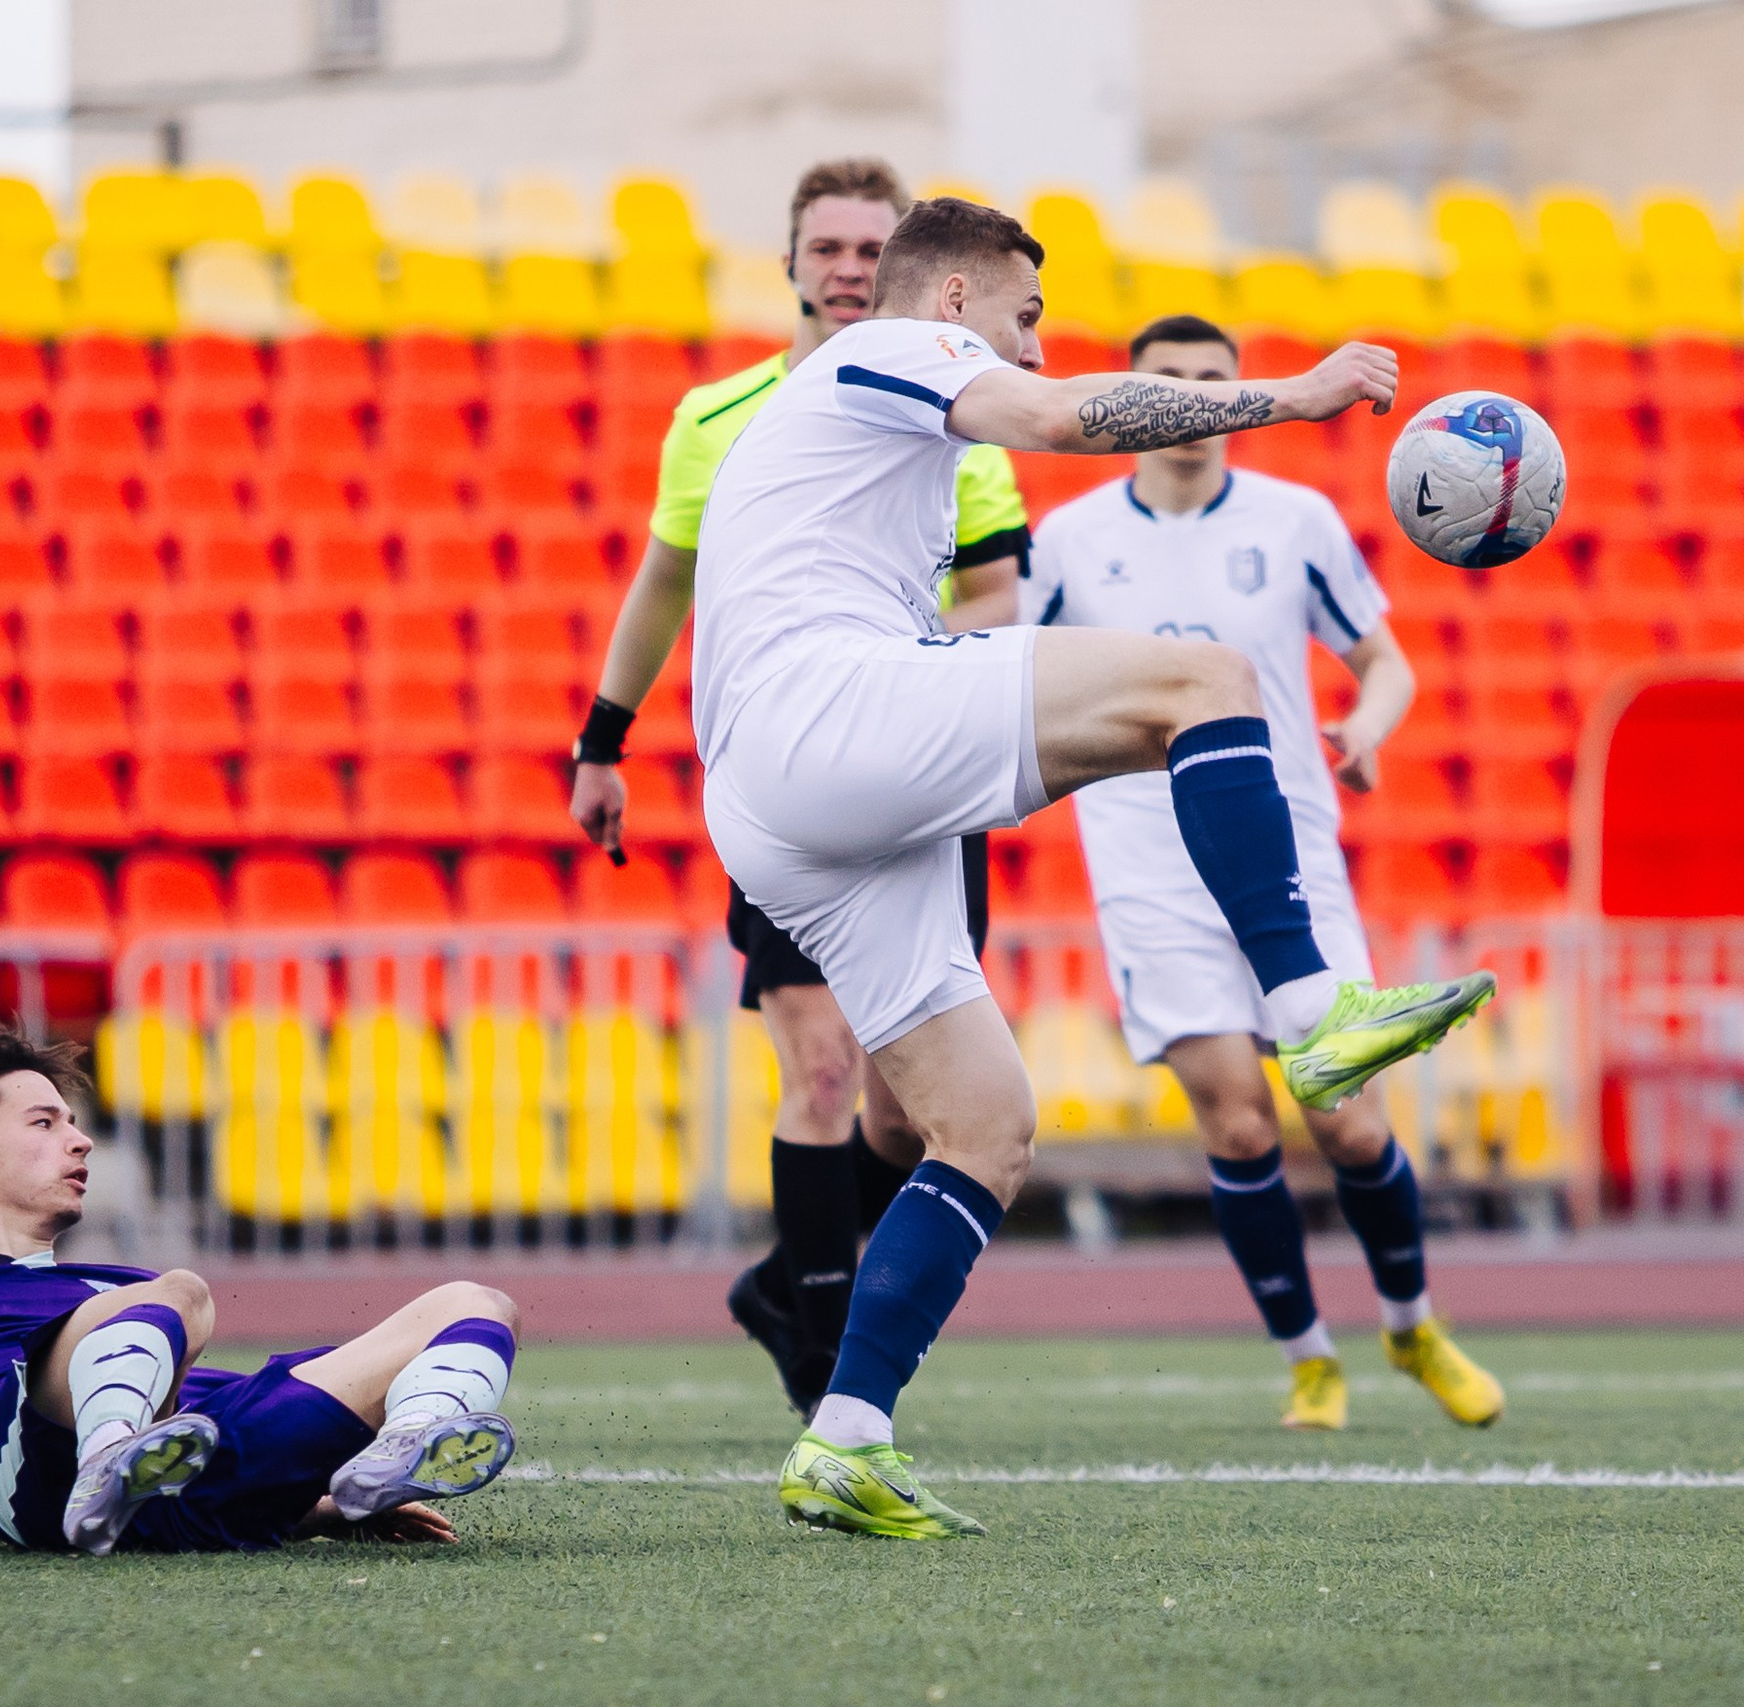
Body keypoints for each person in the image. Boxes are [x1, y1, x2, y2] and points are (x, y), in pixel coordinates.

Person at [686, 197, 1495, 1539]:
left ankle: (846, 1430)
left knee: (986, 1126)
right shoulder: (896, 345)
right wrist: (1288, 396)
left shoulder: (860, 405)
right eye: (1025, 315)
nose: (1036, 343)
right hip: (821, 717)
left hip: (780, 801)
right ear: (954, 298)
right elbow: (1064, 425)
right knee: (1208, 676)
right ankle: (1315, 1015)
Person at [569, 159, 1028, 1418]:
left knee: (896, 1112)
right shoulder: (718, 420)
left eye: (865, 245)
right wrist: (602, 739)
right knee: (818, 1069)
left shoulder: (963, 404)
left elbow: (996, 591)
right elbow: (665, 583)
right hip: (796, 772)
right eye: (821, 244)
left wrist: (919, 682)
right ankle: (829, 1360)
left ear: (906, 273)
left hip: (914, 763)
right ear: (789, 262)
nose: (842, 264)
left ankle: (790, 1277)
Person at [1023, 314, 1503, 1434]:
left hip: (1290, 855)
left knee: (1347, 1121)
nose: (1192, 398)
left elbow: (1382, 661)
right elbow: (1012, 671)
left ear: (1238, 396)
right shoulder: (1069, 539)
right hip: (1146, 863)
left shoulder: (1299, 522)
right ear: (1135, 396)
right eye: (1169, 382)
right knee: (1236, 1125)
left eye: (1210, 381)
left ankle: (1410, 1323)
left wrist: (1368, 726)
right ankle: (1308, 1361)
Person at [0, 1029, 520, 1560]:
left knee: (477, 1302)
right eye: (44, 1123)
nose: (79, 1140)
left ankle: (395, 1457)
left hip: (189, 1457)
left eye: (75, 1123)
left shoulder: (118, 1291)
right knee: (178, 1292)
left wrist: (323, 1508)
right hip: (29, 1457)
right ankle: (108, 1459)